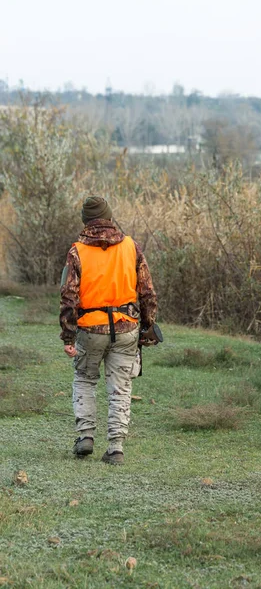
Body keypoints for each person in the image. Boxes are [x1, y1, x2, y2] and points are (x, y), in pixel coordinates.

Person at [60, 196, 157, 465]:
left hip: (89, 329)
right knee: (120, 388)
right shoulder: (131, 247)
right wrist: (148, 326)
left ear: (85, 220)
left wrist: (68, 336)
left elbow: (68, 297)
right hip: (127, 328)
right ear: (110, 217)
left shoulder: (77, 251)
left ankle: (85, 437)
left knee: (85, 379)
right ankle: (115, 448)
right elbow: (147, 292)